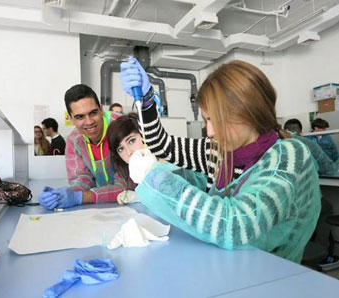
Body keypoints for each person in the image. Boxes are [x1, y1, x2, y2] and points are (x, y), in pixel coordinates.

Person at [120, 58, 322, 263]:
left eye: (215, 120)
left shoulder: (287, 157)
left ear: (247, 113)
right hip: (229, 264)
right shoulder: (220, 151)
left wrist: (159, 181)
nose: (209, 132)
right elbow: (162, 145)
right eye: (207, 120)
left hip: (275, 272)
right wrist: (146, 101)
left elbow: (236, 225)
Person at [38, 84, 127, 210]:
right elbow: (81, 179)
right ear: (70, 118)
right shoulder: (73, 140)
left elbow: (126, 186)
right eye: (80, 117)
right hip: (104, 205)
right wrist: (62, 194)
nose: (89, 121)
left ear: (101, 109)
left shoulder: (122, 127)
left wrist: (79, 197)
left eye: (93, 113)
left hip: (135, 203)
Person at [284, 118, 339, 264]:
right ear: (302, 132)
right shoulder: (307, 143)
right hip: (305, 200)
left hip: (284, 203)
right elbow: (330, 169)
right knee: (325, 209)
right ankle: (322, 253)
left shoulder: (275, 143)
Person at [107, 113, 145, 204]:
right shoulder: (129, 175)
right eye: (121, 149)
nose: (129, 152)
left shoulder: (170, 165)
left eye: (132, 141)